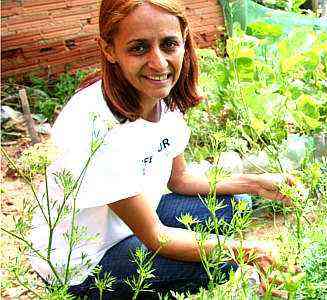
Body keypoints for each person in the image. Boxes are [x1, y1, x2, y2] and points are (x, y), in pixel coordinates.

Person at [27, 0, 292, 298]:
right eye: (139, 48)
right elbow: (157, 236)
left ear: (184, 38)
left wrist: (257, 183)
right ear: (109, 49)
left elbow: (179, 180)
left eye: (168, 45)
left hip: (138, 221)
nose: (159, 63)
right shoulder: (92, 123)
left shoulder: (160, 99)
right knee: (216, 264)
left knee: (237, 204)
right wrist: (246, 251)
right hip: (88, 261)